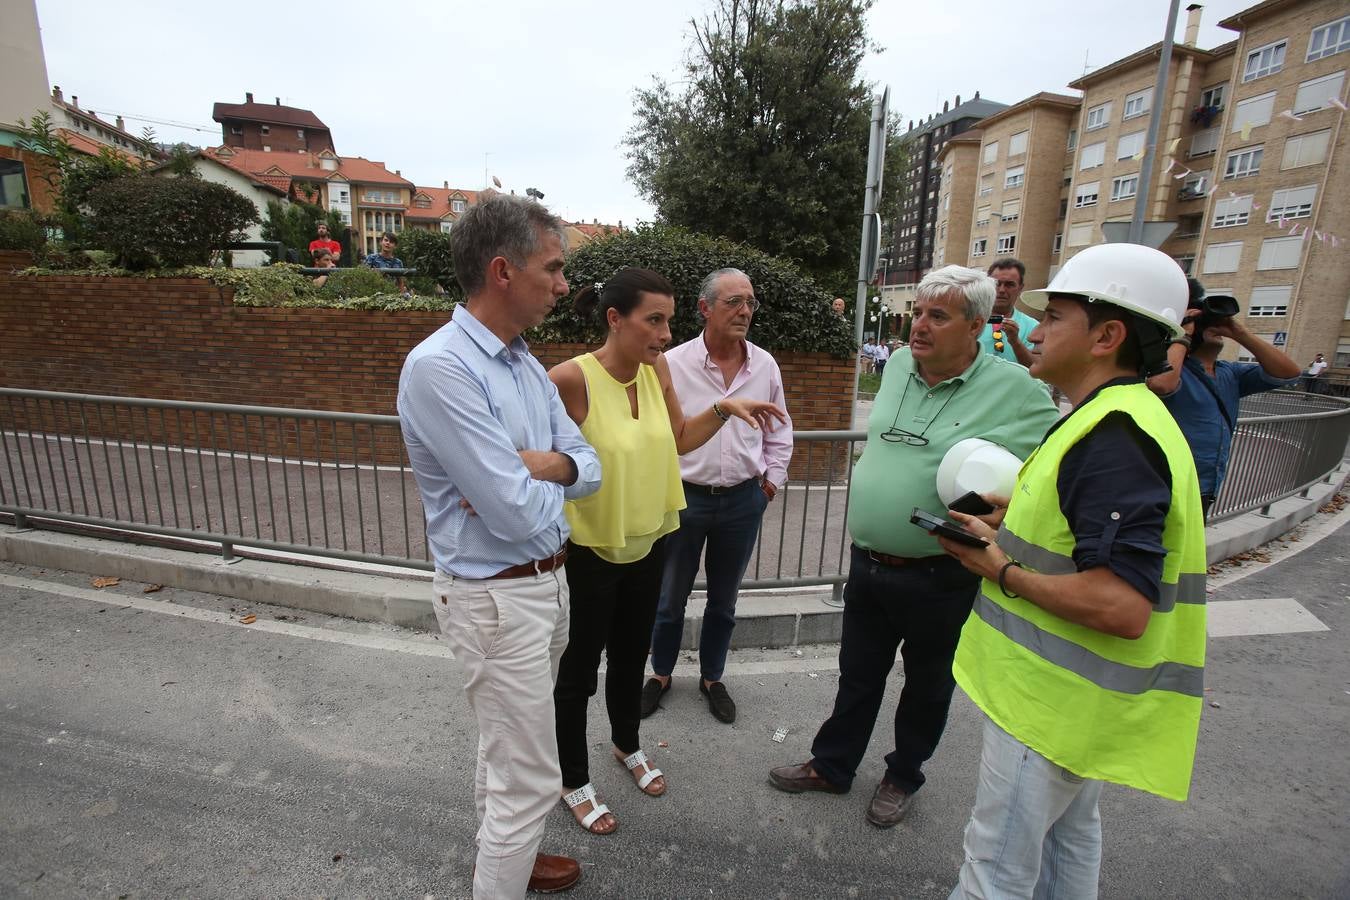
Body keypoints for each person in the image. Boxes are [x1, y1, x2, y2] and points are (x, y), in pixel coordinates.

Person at [939, 242, 1209, 900]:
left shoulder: (1116, 436)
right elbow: (1081, 530)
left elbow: (1121, 605)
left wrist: (1000, 570)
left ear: (1107, 336)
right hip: (1070, 708)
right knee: (1068, 849)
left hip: (1051, 707)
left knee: (995, 870)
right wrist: (1015, 517)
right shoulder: (1109, 417)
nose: (1036, 330)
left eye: (1054, 317)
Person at [768, 265, 1057, 828]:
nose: (918, 326)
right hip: (869, 561)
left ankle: (902, 777)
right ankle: (833, 765)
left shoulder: (1016, 389)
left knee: (927, 686)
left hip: (941, 571)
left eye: (937, 316)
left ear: (975, 325)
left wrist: (1008, 508)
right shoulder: (899, 364)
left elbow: (1051, 465)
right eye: (918, 313)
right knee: (858, 674)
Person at [396, 195, 600, 898]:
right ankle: (505, 864)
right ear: (503, 271)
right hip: (496, 598)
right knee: (530, 773)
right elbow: (513, 514)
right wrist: (550, 482)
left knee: (505, 748)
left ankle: (508, 852)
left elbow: (587, 464)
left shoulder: (522, 364)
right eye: (554, 268)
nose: (565, 284)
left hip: (542, 586)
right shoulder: (441, 369)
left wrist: (542, 464)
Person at [549, 268, 786, 836]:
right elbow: (538, 464)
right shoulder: (568, 379)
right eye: (653, 320)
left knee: (631, 656)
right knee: (581, 669)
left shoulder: (656, 371)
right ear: (615, 319)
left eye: (669, 320)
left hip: (652, 537)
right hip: (592, 548)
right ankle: (572, 777)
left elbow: (679, 437)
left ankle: (626, 745)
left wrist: (727, 409)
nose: (664, 333)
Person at [644, 268, 794, 724]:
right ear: (705, 308)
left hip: (743, 500)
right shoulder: (672, 362)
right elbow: (658, 432)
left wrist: (771, 482)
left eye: (750, 302)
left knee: (724, 601)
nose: (745, 311)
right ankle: (661, 674)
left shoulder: (764, 365)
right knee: (669, 598)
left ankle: (713, 677)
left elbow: (779, 429)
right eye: (733, 302)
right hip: (685, 497)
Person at [1148, 279, 1300, 519]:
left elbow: (1289, 372)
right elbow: (1162, 384)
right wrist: (1183, 331)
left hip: (1206, 486)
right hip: (1162, 484)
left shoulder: (1231, 373)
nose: (1217, 332)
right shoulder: (1176, 368)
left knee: (1187, 554)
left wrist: (1240, 332)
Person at [980, 258, 1037, 367]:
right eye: (997, 283)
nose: (1001, 290)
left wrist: (1015, 342)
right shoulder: (969, 321)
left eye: (1009, 285)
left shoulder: (1032, 327)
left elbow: (1035, 368)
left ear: (1020, 288)